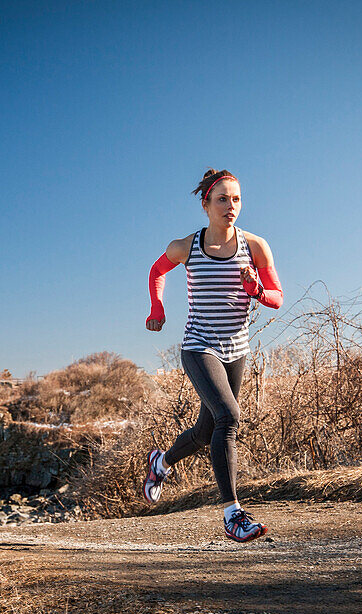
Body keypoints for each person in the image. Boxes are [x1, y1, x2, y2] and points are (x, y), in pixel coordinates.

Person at [142, 169, 284, 542]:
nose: (230, 206)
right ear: (205, 204)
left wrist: (257, 291)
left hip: (236, 350)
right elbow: (157, 270)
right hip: (199, 346)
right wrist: (158, 308)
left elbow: (277, 297)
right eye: (222, 199)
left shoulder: (255, 246)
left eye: (236, 199)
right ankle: (233, 515)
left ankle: (162, 461)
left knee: (208, 431)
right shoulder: (187, 246)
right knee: (229, 417)